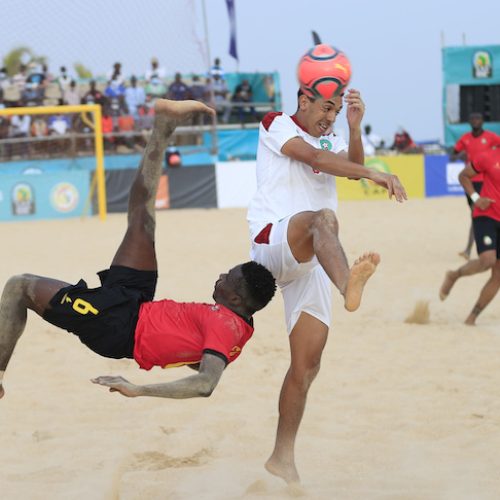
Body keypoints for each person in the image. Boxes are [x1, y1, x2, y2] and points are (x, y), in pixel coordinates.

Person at [0, 99, 276, 401]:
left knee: (19, 287)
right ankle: (164, 123)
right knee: (142, 217)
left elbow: (205, 383)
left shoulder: (226, 327)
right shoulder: (240, 324)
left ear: (235, 298)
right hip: (138, 301)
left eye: (228, 278)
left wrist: (138, 388)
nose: (221, 275)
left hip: (115, 323)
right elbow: (193, 357)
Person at [247, 87, 407, 484]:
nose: (330, 117)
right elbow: (316, 158)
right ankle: (346, 284)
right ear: (304, 100)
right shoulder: (276, 123)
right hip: (274, 241)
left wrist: (354, 129)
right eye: (326, 108)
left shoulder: (334, 135)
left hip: (314, 262)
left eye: (336, 111)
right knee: (323, 218)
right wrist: (375, 173)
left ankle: (282, 456)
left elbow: (346, 163)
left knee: (307, 366)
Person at [439, 147, 500, 324]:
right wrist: (475, 197)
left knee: (498, 276)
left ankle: (471, 318)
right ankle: (454, 275)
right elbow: (463, 175)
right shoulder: (488, 156)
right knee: (487, 260)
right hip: (486, 215)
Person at [450, 112, 500, 260]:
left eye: (478, 118)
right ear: (469, 122)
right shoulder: (465, 139)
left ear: (482, 121)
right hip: (471, 181)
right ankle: (481, 247)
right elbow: (453, 155)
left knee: (478, 212)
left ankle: (472, 249)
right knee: (476, 213)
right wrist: (460, 155)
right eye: (472, 118)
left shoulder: (491, 137)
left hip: (487, 180)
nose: (475, 121)